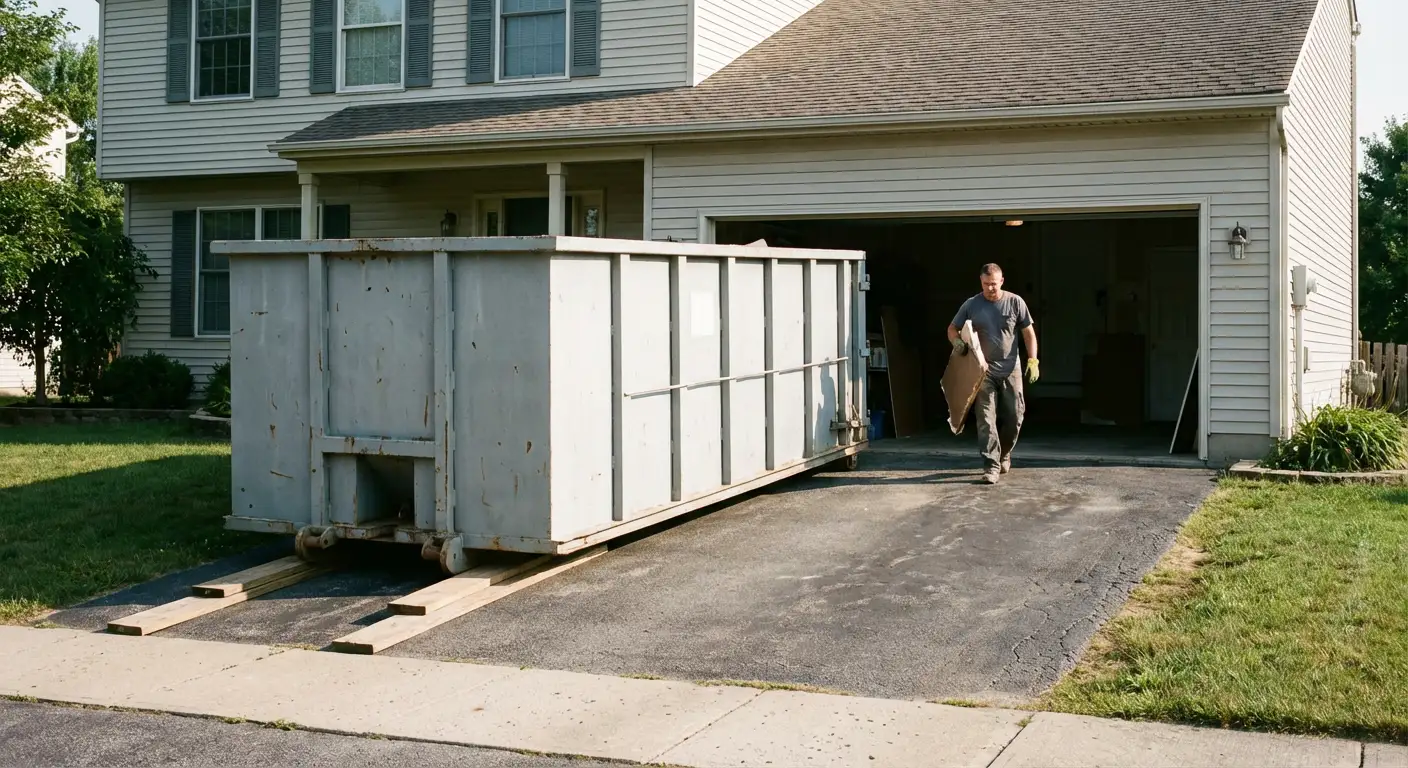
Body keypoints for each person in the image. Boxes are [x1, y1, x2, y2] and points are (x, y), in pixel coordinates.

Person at [947, 263, 1039, 484]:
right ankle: (991, 465)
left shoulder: (1015, 302)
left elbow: (1029, 334)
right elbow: (952, 329)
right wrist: (958, 342)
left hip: (1011, 369)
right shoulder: (971, 305)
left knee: (1015, 416)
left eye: (994, 284)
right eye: (986, 284)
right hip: (983, 371)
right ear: (981, 282)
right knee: (986, 420)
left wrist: (1033, 360)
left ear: (1002, 281)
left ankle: (1004, 452)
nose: (990, 289)